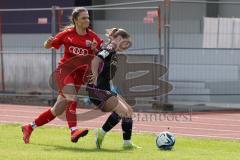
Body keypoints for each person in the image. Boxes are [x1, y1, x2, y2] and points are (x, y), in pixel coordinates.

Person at [21, 7, 103, 144]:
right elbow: (48, 45)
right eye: (84, 18)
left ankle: (29, 127)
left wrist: (96, 50)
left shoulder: (93, 37)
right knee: (72, 97)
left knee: (57, 109)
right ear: (76, 20)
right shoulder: (66, 34)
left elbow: (102, 54)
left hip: (79, 76)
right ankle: (73, 131)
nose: (87, 20)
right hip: (64, 71)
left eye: (88, 17)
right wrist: (47, 43)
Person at [86, 28, 141, 149]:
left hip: (105, 88)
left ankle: (126, 143)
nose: (126, 46)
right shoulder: (110, 48)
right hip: (97, 89)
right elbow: (96, 60)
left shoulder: (113, 53)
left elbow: (100, 59)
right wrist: (94, 75)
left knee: (128, 111)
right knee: (122, 112)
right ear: (119, 39)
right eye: (125, 43)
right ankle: (102, 132)